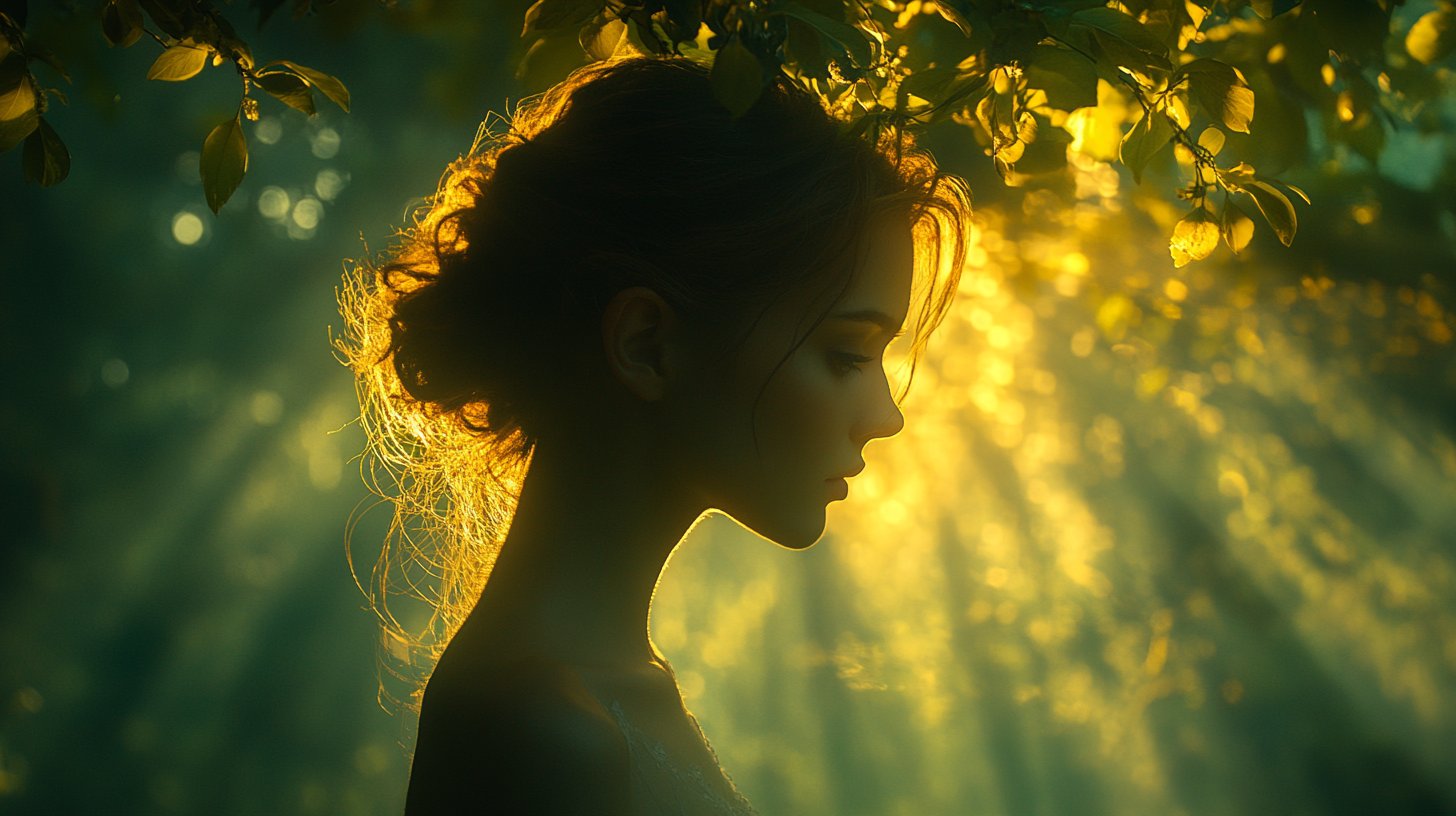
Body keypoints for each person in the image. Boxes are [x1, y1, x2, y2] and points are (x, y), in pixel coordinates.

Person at [337, 53, 970, 815]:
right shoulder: (542, 729)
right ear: (646, 343)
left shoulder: (608, 687)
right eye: (845, 356)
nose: (885, 415)